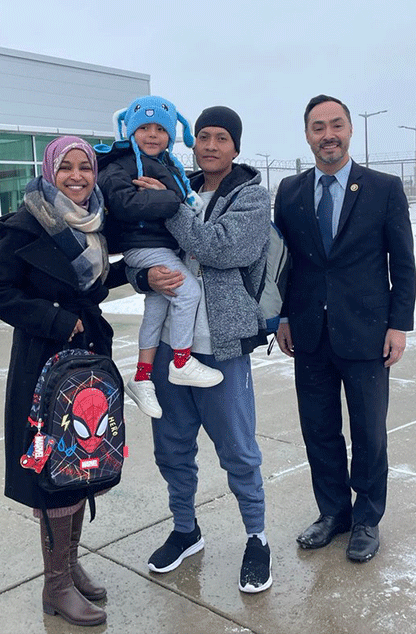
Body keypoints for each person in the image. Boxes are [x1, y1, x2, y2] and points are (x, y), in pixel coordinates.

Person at [0, 136, 124, 627]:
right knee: (53, 467)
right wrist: (60, 321)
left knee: (80, 464)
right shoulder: (27, 225)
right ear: (50, 171)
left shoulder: (94, 224)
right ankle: (55, 586)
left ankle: (66, 562)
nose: (78, 175)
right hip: (44, 361)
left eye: (86, 166)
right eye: (68, 167)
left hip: (86, 361)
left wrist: (143, 276)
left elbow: (93, 285)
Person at [133, 105, 275, 593]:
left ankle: (256, 538)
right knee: (171, 448)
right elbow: (139, 245)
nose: (210, 145)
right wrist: (141, 274)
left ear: (236, 147)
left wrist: (170, 205)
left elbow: (221, 248)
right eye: (203, 137)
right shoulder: (175, 181)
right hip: (172, 343)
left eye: (221, 138)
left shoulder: (252, 197)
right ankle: (185, 530)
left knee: (237, 449)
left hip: (221, 348)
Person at [273, 94, 416, 563]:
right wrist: (286, 317)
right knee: (319, 430)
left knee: (369, 433)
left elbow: (404, 263)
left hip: (368, 334)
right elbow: (285, 265)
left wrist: (399, 325)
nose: (327, 134)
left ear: (349, 130)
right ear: (308, 134)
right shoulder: (290, 193)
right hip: (310, 335)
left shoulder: (384, 188)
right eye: (318, 127)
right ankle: (333, 513)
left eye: (336, 124)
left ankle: (367, 518)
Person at [97, 95, 224, 419]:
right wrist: (168, 200)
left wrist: (170, 198)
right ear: (130, 130)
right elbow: (124, 204)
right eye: (144, 128)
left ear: (171, 134)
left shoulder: (167, 164)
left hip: (160, 245)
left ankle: (142, 377)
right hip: (143, 245)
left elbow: (182, 199)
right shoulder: (121, 163)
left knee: (157, 305)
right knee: (188, 291)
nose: (152, 134)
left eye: (160, 129)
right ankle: (181, 361)